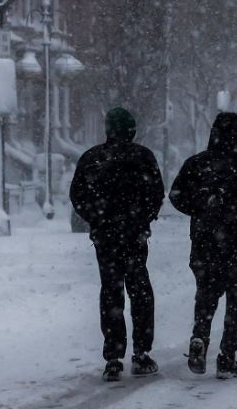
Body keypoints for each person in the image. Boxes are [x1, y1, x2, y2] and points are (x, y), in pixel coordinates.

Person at [169, 112, 237, 379]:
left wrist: (202, 209)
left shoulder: (197, 164)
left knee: (206, 293)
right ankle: (227, 357)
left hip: (203, 242)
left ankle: (200, 335)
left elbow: (176, 195)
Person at [69, 107, 165, 381]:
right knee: (140, 290)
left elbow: (78, 195)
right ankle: (142, 353)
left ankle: (113, 356)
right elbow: (156, 193)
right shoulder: (143, 157)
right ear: (132, 129)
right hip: (134, 235)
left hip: (106, 237)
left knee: (111, 291)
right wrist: (142, 220)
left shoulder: (92, 158)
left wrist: (98, 220)